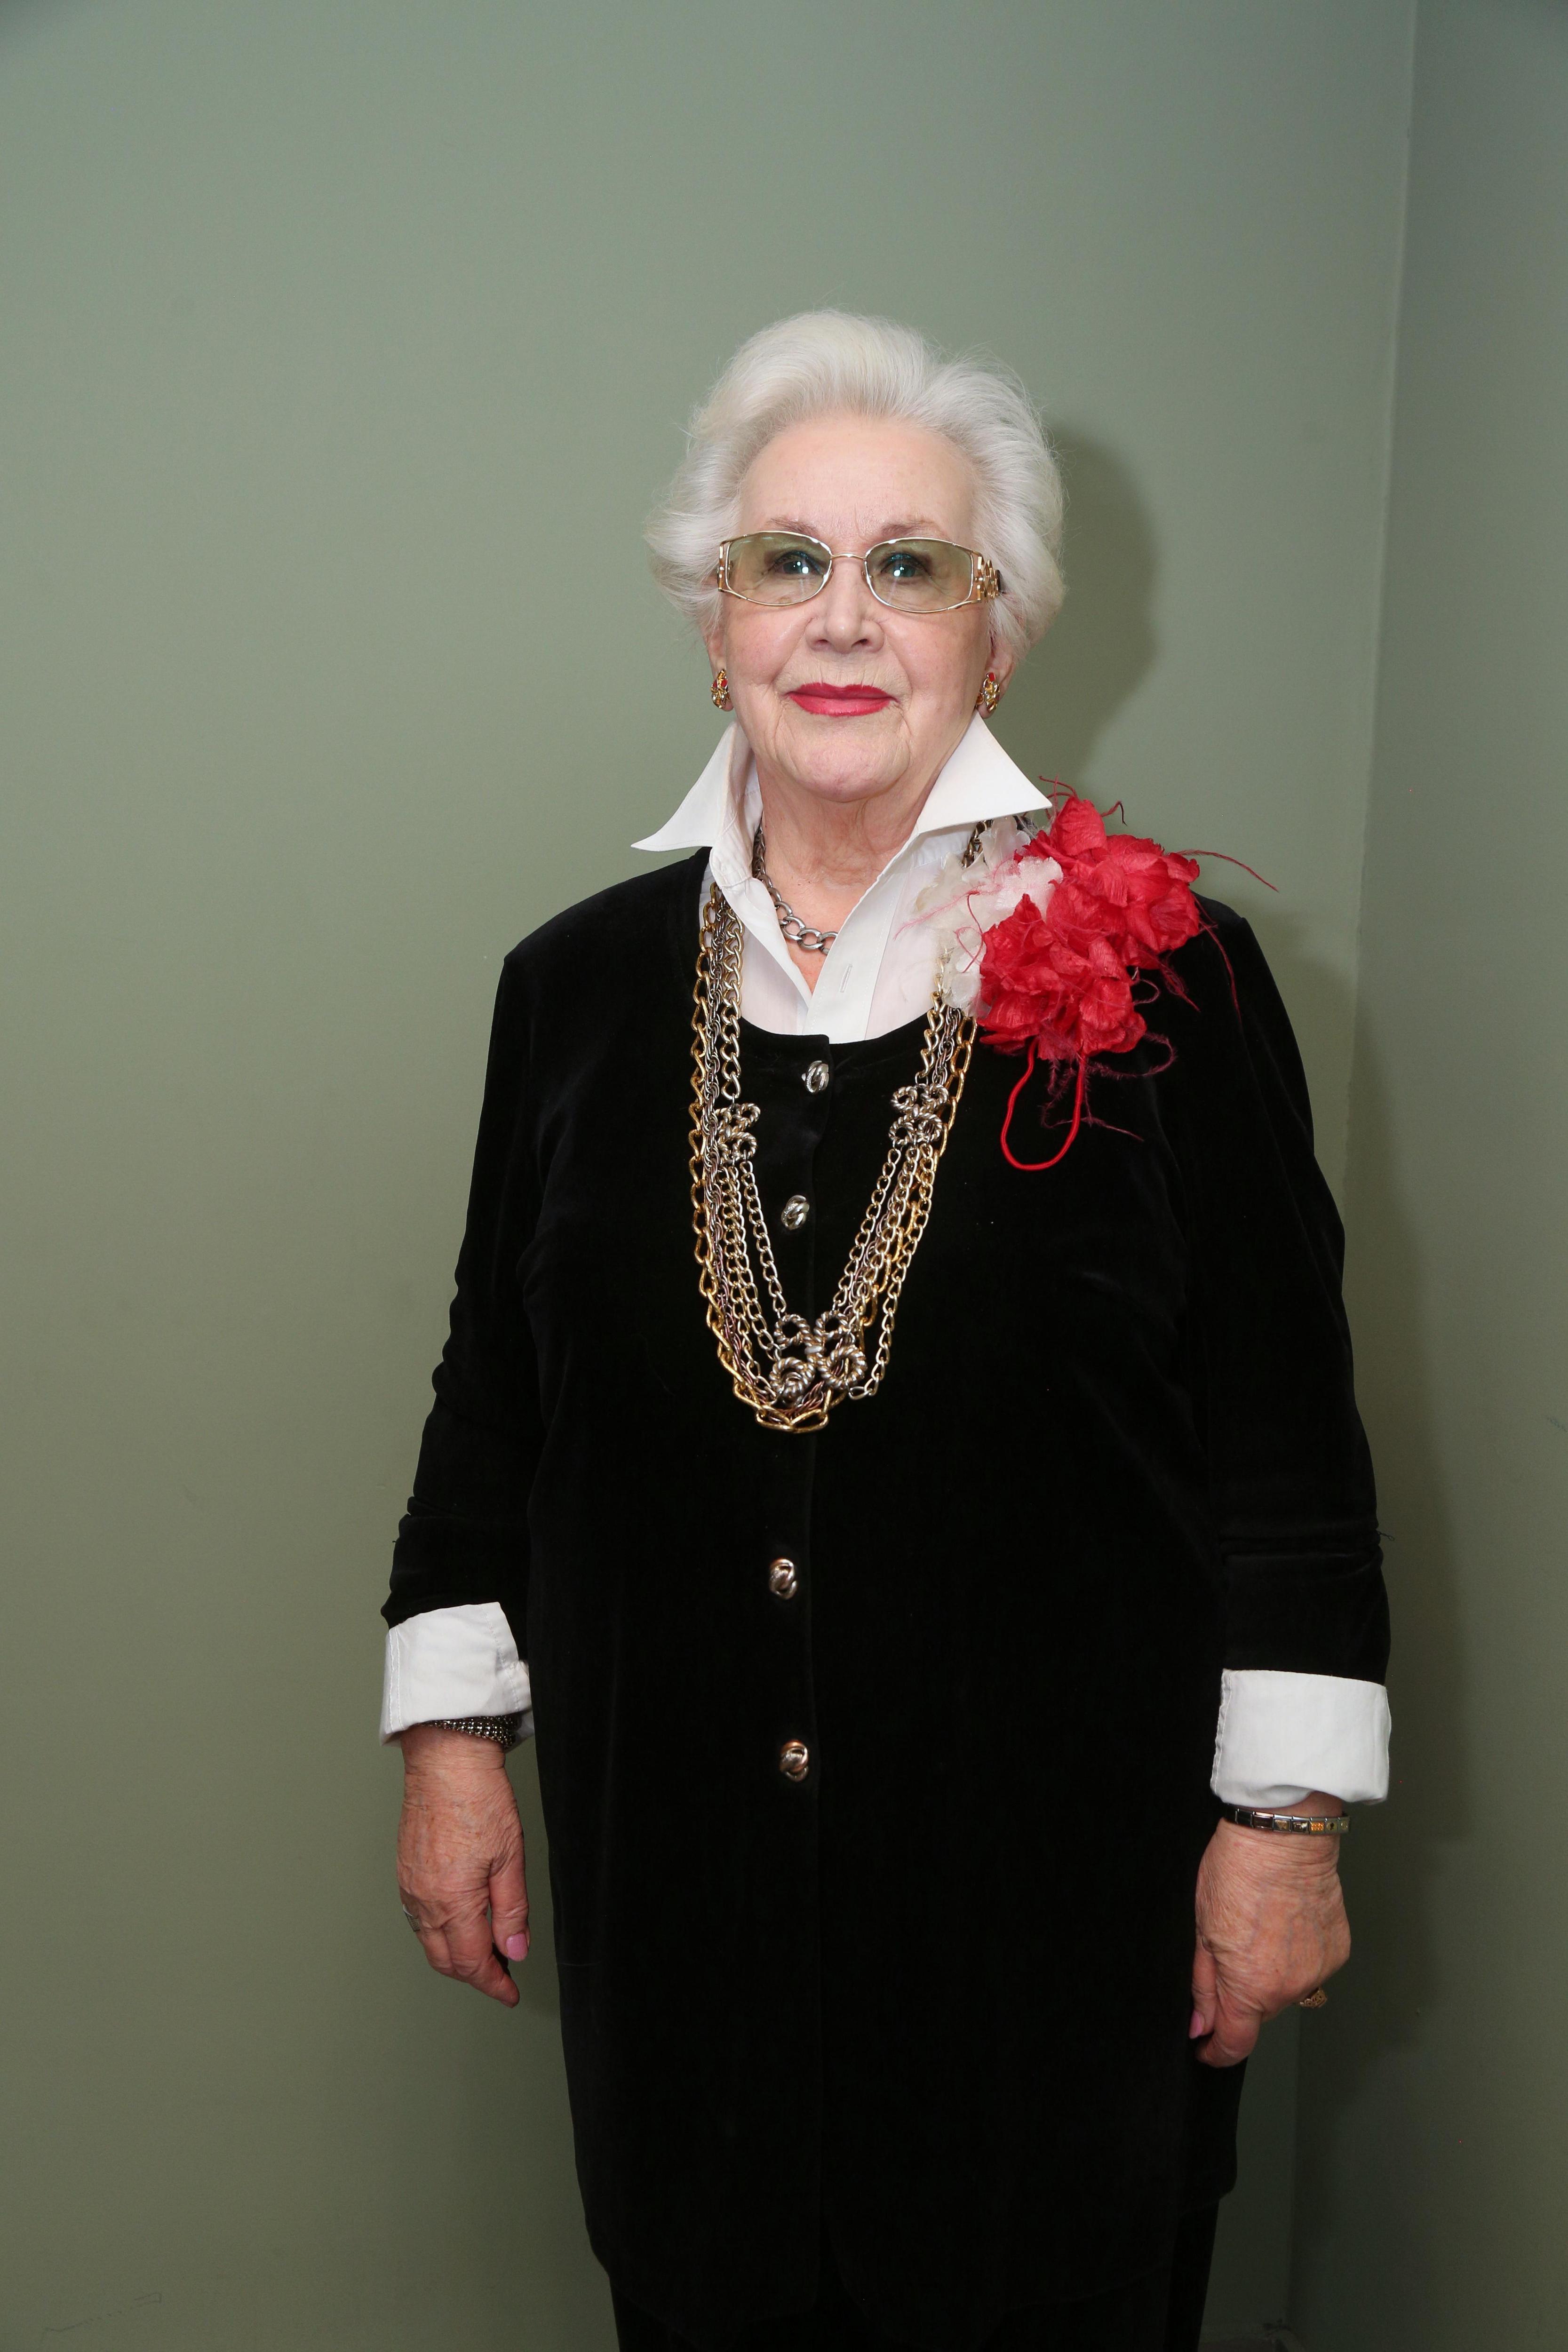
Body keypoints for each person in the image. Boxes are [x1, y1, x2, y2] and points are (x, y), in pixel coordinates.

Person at [381, 311, 1390, 2352]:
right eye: (789, 560)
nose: (843, 618)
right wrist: (453, 1746)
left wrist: (1282, 1829)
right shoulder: (571, 989)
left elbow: (1286, 1436)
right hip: (681, 1921)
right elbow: (496, 1393)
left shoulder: (1173, 978)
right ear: (715, 620)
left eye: (912, 564)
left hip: (1056, 1935)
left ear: (994, 636)